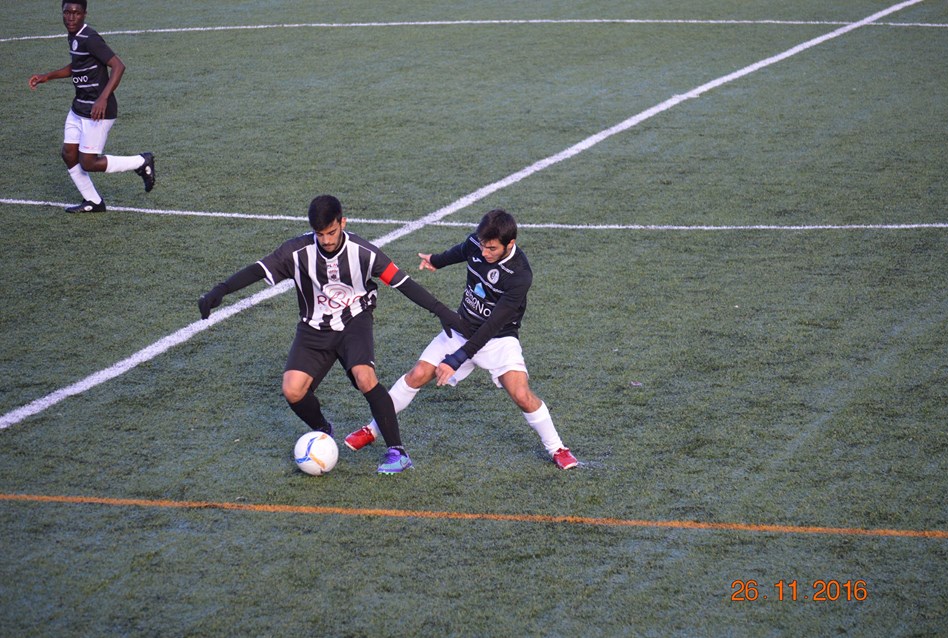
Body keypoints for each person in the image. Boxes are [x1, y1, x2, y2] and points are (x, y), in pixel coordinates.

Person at [198, 195, 460, 474]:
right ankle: (323, 430)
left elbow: (403, 282)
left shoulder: (364, 252)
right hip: (313, 328)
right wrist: (220, 290)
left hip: (354, 322)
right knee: (292, 390)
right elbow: (257, 270)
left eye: (331, 232)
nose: (326, 240)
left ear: (342, 222)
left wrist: (440, 311)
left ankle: (398, 452)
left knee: (365, 377)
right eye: (320, 234)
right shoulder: (296, 252)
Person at [344, 209, 579, 470]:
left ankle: (557, 448)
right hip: (461, 328)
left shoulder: (520, 275)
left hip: (498, 339)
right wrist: (436, 260)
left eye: (492, 249)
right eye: (482, 245)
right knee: (417, 374)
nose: (484, 252)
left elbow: (492, 325)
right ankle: (372, 429)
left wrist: (456, 359)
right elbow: (462, 250)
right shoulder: (477, 243)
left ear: (510, 243)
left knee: (521, 394)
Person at [28, 1, 155, 214]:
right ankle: (93, 201)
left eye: (76, 13)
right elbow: (77, 66)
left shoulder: (90, 38)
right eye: (67, 12)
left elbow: (118, 66)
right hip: (79, 107)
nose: (71, 17)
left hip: (98, 111)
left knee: (88, 162)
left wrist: (103, 98)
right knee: (69, 154)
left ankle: (141, 162)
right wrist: (47, 76)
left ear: (84, 14)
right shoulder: (74, 36)